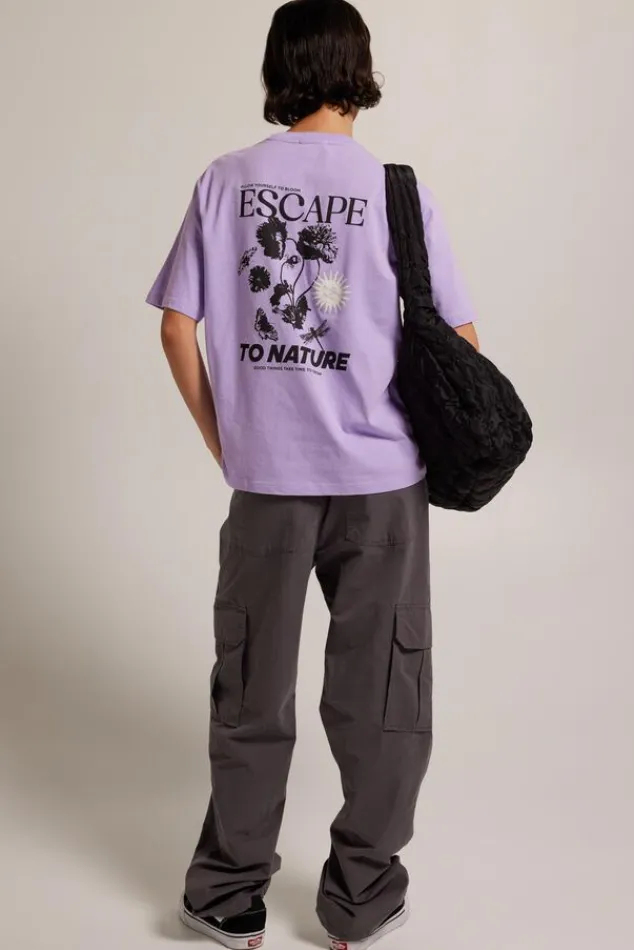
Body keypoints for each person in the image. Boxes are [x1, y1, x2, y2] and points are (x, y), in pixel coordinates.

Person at [146, 1, 479, 948]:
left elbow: (176, 328)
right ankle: (361, 900)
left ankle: (227, 895)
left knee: (252, 684)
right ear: (359, 73)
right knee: (384, 695)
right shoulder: (397, 192)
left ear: (277, 71)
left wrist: (227, 442)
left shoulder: (226, 180)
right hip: (383, 487)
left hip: (267, 487)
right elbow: (461, 344)